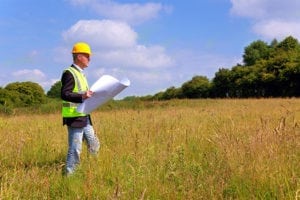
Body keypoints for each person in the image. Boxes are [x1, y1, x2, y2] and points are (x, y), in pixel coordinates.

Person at [61, 42, 100, 175]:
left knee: (94, 144)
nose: (90, 58)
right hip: (74, 117)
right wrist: (82, 96)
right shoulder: (69, 73)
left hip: (84, 116)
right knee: (75, 149)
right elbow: (64, 94)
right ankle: (69, 177)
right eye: (87, 56)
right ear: (79, 57)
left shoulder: (81, 74)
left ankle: (91, 171)